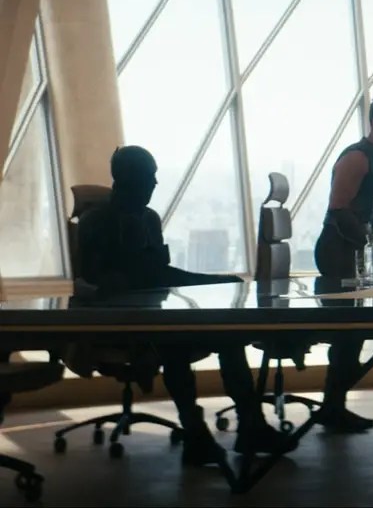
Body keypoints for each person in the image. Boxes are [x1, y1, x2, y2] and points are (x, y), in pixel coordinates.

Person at [72, 146, 297, 465]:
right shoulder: (97, 223)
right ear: (130, 180)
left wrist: (212, 281)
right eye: (149, 177)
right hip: (120, 324)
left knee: (227, 337)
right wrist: (205, 281)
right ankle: (203, 431)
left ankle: (244, 425)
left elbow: (157, 273)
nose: (154, 184)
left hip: (154, 318)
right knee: (176, 344)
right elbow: (119, 281)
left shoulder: (148, 219)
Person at [310, 94, 373, 433]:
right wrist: (372, 245)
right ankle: (333, 407)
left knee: (352, 334)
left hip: (355, 248)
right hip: (337, 249)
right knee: (348, 332)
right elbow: (339, 210)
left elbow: (364, 208)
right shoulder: (356, 157)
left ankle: (333, 405)